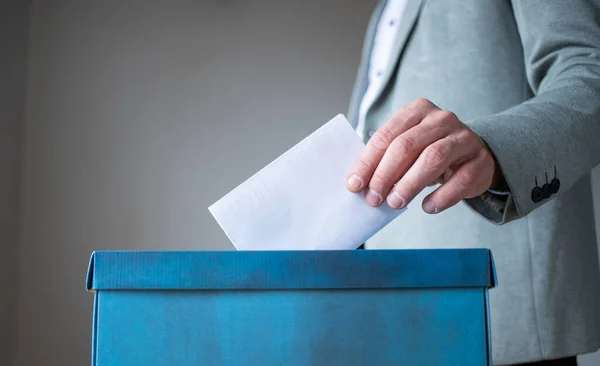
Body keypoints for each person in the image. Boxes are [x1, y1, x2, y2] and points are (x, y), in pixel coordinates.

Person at [344, 1, 600, 365]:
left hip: (495, 318)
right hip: (392, 320)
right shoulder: (384, 10)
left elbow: (589, 75)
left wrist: (494, 150)